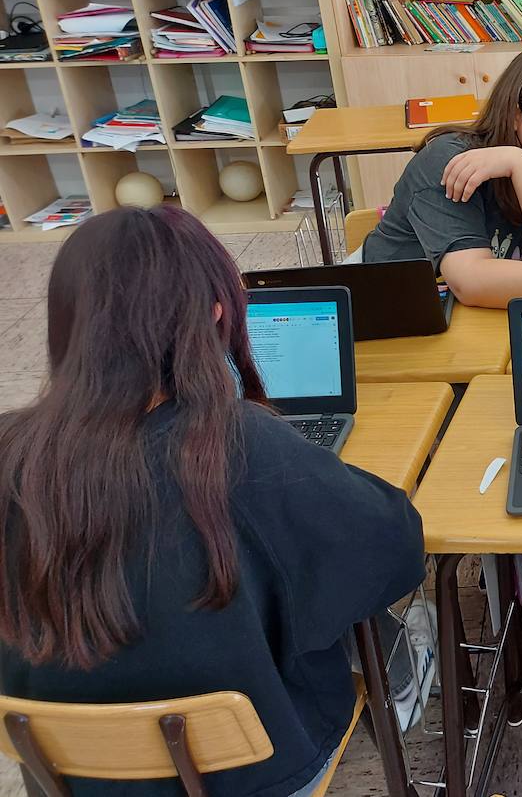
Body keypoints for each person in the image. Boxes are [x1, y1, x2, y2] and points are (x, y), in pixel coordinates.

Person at [0, 207, 425, 796]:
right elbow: (396, 550)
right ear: (216, 314)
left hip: (65, 769)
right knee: (361, 602)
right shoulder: (239, 444)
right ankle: (410, 695)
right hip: (251, 771)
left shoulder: (10, 449)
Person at [362, 46, 522, 308]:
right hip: (389, 304)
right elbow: (471, 283)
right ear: (514, 116)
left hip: (487, 312)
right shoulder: (448, 159)